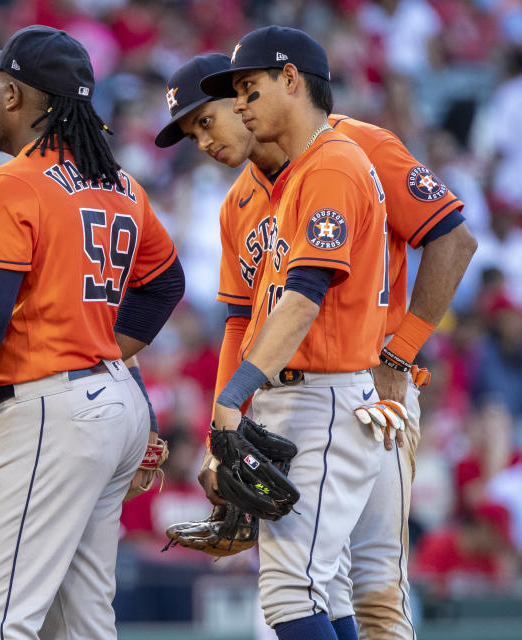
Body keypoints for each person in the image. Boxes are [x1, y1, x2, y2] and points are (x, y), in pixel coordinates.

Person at [161, 51, 475, 638]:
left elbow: (454, 242)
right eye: (189, 133)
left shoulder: (355, 148)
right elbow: (238, 324)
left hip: (372, 384)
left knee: (374, 585)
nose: (201, 142)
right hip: (293, 394)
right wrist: (220, 430)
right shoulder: (239, 204)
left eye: (207, 119)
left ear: (245, 96)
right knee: (322, 584)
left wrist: (400, 352)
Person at [0, 25, 184, 640]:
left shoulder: (17, 185)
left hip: (52, 412)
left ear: (13, 96)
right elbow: (164, 286)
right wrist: (105, 349)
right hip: (114, 403)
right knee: (84, 622)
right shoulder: (119, 182)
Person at [196, 26, 389, 640]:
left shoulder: (332, 164)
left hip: (326, 395)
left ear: (290, 79)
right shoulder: (296, 175)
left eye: (249, 89)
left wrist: (232, 396)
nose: (242, 105)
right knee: (322, 586)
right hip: (303, 394)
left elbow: (304, 300)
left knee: (287, 593)